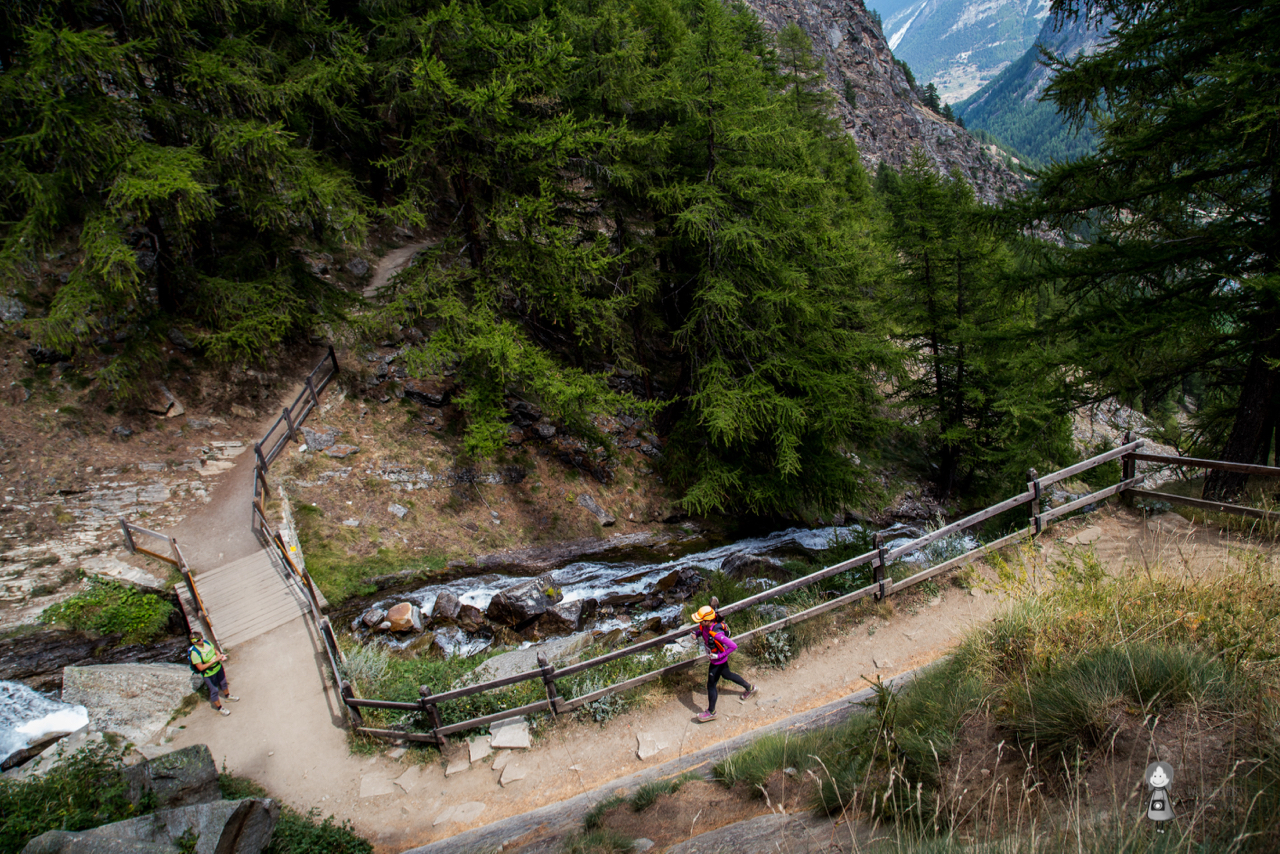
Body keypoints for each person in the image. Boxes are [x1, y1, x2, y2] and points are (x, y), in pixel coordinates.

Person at [691, 605, 755, 722]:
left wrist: (719, 656)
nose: (699, 622)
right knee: (727, 675)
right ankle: (750, 688)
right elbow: (703, 631)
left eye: (701, 620)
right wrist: (696, 634)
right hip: (716, 660)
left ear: (708, 620)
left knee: (711, 685)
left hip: (718, 662)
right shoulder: (706, 626)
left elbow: (733, 646)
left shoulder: (717, 633)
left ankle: (711, 712)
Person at [189, 631, 238, 716]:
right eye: (198, 640)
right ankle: (219, 708)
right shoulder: (195, 653)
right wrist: (215, 660)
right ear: (193, 642)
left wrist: (220, 656)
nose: (201, 640)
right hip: (209, 674)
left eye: (201, 638)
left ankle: (227, 696)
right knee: (214, 690)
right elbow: (201, 668)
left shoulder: (207, 643)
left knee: (223, 682)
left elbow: (215, 651)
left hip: (218, 668)